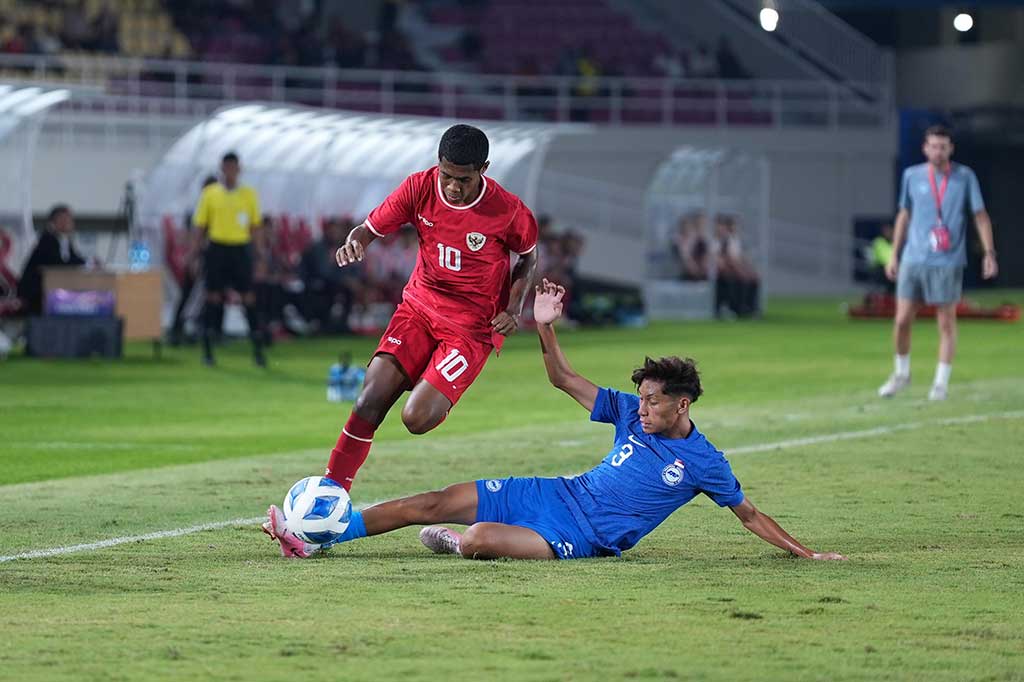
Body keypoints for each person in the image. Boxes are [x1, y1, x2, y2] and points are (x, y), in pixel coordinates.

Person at [263, 279, 846, 561]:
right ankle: (324, 536)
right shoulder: (628, 416)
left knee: (475, 541)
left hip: (581, 536)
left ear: (682, 405)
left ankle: (452, 544)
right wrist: (545, 325)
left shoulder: (704, 462)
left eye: (651, 402)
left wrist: (807, 554)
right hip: (556, 493)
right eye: (639, 398)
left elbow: (749, 514)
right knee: (435, 499)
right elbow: (565, 380)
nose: (639, 408)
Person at [264, 123, 538, 559]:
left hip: (469, 330)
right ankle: (327, 505)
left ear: (483, 170)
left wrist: (515, 304)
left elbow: (528, 256)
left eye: (464, 179)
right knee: (368, 399)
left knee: (416, 418)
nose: (453, 185)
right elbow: (368, 228)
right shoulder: (419, 188)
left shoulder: (507, 210)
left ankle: (431, 382)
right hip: (418, 309)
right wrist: (355, 242)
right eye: (447, 174)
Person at [878, 125, 998, 401]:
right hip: (914, 258)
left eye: (943, 146)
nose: (938, 151)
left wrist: (989, 253)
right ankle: (901, 374)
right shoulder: (912, 176)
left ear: (951, 149)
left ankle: (940, 382)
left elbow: (980, 215)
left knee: (945, 323)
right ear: (925, 148)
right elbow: (904, 214)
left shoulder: (964, 177)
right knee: (901, 319)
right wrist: (895, 253)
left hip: (947, 260)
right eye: (933, 146)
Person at [190, 152, 267, 367]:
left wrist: (260, 256)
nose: (230, 172)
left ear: (238, 169)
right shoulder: (210, 194)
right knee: (213, 298)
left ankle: (258, 351)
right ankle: (208, 350)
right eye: (227, 168)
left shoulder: (249, 194)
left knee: (248, 298)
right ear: (222, 169)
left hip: (240, 249)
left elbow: (255, 227)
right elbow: (200, 226)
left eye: (234, 168)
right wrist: (194, 255)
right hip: (217, 248)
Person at [169, 175, 217, 346]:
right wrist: (192, 258)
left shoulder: (216, 211)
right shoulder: (195, 211)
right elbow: (190, 237)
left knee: (207, 295)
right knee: (189, 294)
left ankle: (202, 329)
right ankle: (177, 329)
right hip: (197, 257)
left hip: (211, 257)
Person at [17, 204, 86, 316]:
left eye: (70, 219)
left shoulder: (65, 240)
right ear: (55, 221)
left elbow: (74, 258)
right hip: (35, 293)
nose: (69, 223)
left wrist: (88, 263)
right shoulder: (47, 239)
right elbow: (58, 263)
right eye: (65, 219)